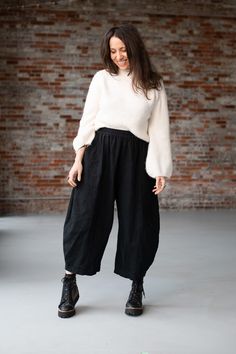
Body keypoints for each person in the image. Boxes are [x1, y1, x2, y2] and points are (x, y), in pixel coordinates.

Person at [58, 23, 172, 318]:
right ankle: (69, 283)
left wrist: (161, 169)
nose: (119, 56)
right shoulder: (102, 79)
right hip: (100, 152)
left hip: (136, 156)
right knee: (84, 217)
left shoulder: (153, 84)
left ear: (134, 47)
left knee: (139, 220)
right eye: (113, 51)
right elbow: (88, 120)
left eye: (123, 49)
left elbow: (159, 130)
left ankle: (137, 284)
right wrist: (78, 158)